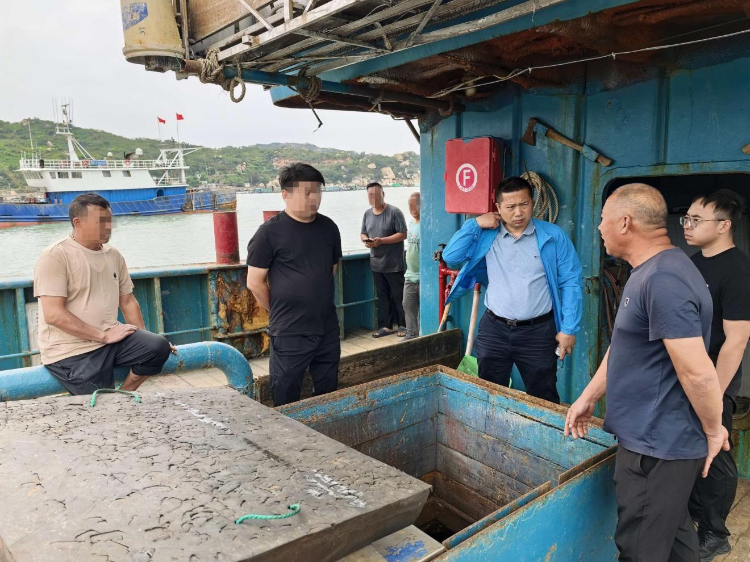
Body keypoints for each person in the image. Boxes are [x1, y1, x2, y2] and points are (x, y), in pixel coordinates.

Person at [565, 183, 730, 562]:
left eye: (603, 219)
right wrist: (589, 396)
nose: (599, 228)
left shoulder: (662, 280)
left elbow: (698, 373)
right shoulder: (651, 271)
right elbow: (625, 345)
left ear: (625, 223)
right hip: (656, 442)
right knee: (674, 541)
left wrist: (713, 430)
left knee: (640, 549)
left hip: (656, 449)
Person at [442, 176, 582, 403]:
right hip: (494, 329)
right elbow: (451, 256)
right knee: (489, 394)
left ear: (532, 203)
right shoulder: (486, 234)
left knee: (543, 397)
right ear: (498, 208)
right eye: (510, 207)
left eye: (524, 204)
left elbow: (571, 282)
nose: (518, 212)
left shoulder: (553, 235)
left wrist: (568, 329)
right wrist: (475, 223)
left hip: (538, 332)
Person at [33, 193, 174, 396]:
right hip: (70, 350)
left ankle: (123, 394)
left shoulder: (113, 255)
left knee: (157, 347)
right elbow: (54, 315)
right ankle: (114, 402)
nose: (108, 227)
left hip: (111, 340)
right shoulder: (55, 255)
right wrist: (103, 336)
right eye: (101, 222)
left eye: (109, 220)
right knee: (100, 402)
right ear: (78, 222)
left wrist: (144, 338)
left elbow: (127, 301)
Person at [683, 189, 750, 561]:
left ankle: (715, 533)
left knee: (716, 451)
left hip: (715, 377)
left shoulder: (737, 270)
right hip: (688, 372)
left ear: (724, 226)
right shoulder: (694, 263)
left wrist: (714, 393)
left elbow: (736, 341)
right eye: (687, 218)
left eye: (696, 220)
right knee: (693, 449)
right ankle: (694, 518)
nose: (687, 226)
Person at [246, 163, 342, 407]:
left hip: (327, 326)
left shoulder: (329, 228)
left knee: (328, 390)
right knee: (286, 393)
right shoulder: (268, 233)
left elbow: (331, 270)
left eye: (317, 191)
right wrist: (280, 309)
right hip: (290, 331)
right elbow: (255, 283)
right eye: (307, 192)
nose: (314, 198)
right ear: (285, 194)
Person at [360, 182, 408, 338]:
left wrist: (382, 241)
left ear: (383, 194)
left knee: (398, 295)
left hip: (393, 264)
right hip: (376, 263)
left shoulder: (394, 212)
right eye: (370, 195)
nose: (373, 197)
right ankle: (387, 326)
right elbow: (363, 233)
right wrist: (366, 240)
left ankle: (403, 325)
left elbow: (403, 234)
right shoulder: (367, 214)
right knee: (383, 296)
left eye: (376, 194)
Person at [403, 192, 421, 340]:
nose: (413, 208)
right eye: (410, 205)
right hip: (410, 274)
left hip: (423, 275)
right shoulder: (410, 223)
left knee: (423, 308)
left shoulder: (426, 225)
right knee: (407, 305)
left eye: (416, 204)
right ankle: (411, 335)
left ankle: (422, 335)